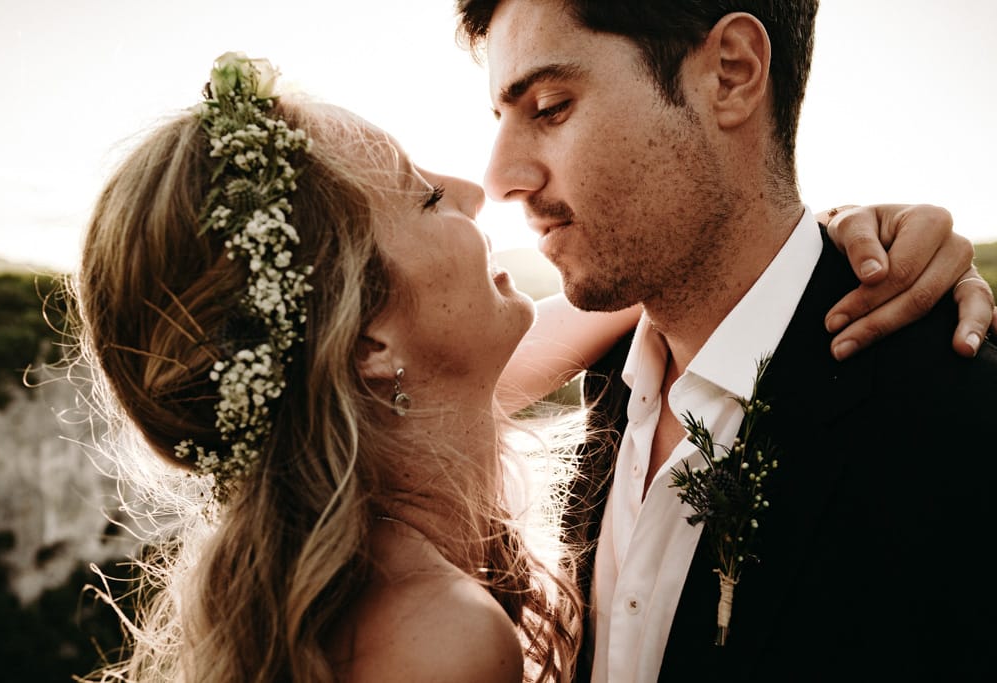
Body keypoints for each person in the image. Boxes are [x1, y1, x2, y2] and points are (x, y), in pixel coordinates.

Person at [75, 52, 986, 683]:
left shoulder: (376, 443)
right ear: (368, 346)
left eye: (551, 107)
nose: (476, 188)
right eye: (423, 197)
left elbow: (655, 288)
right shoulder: (435, 641)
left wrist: (832, 239)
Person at [456, 1, 997, 681]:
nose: (500, 178)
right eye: (501, 119)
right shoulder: (607, 377)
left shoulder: (962, 431)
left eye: (551, 107)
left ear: (732, 74)